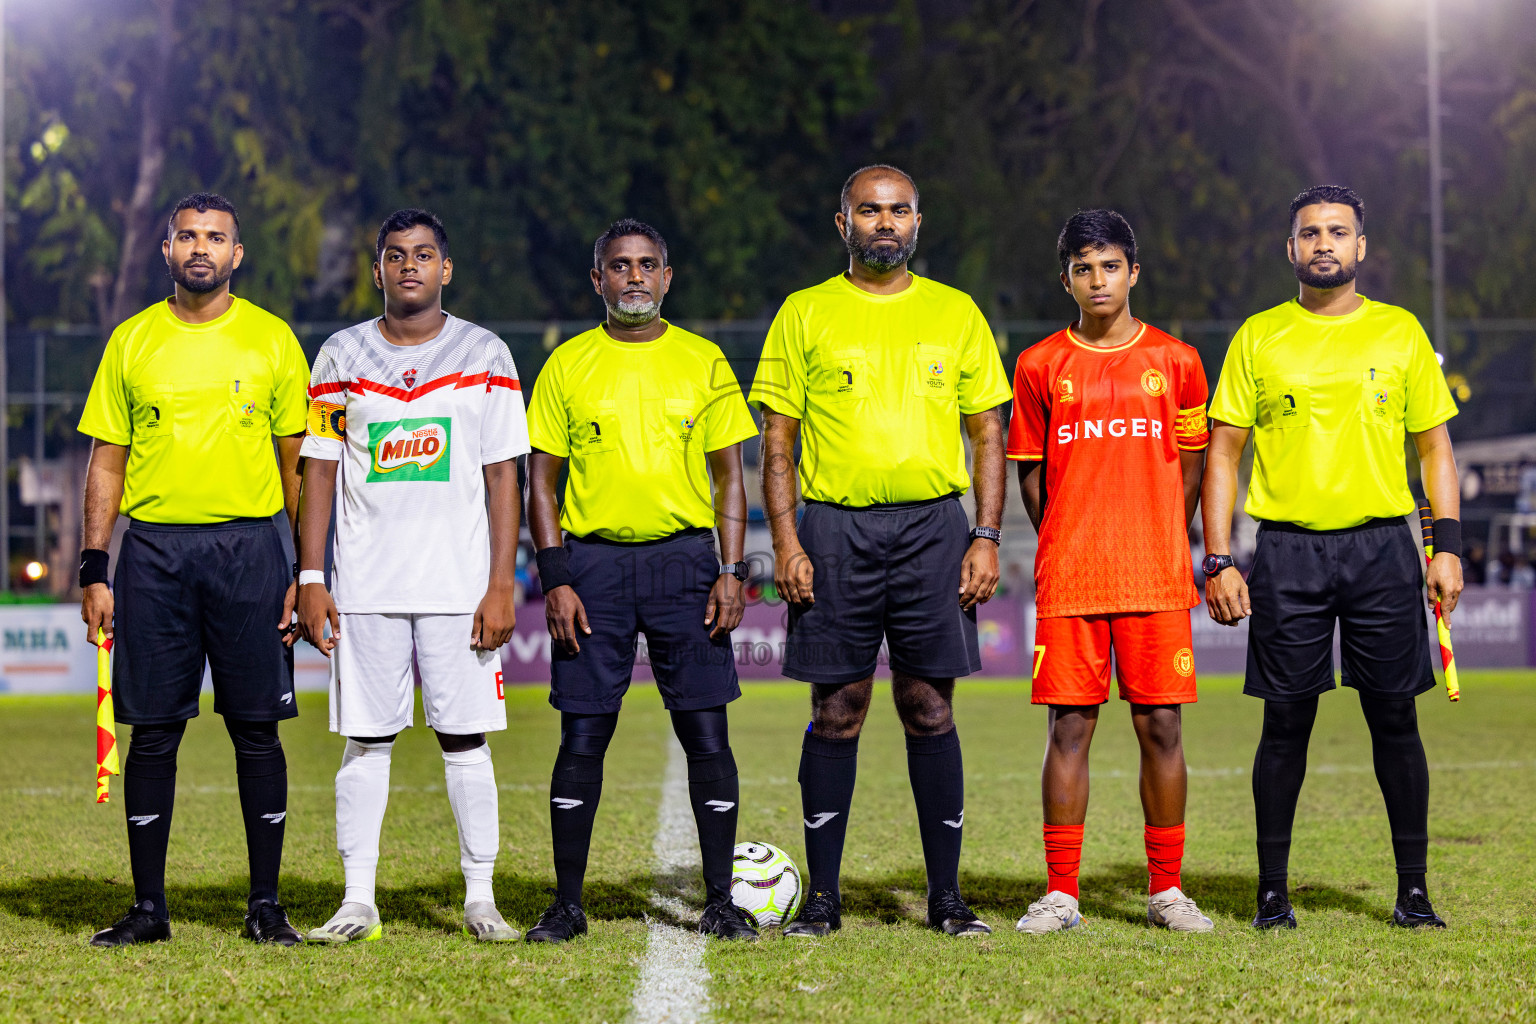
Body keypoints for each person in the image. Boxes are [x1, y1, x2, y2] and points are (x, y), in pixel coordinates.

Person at [750, 165, 1012, 938]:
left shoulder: (955, 313)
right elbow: (778, 443)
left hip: (935, 529)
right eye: (870, 210)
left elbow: (987, 433)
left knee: (930, 707)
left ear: (918, 222)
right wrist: (788, 540)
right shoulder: (804, 314)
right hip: (833, 530)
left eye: (898, 210)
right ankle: (823, 899)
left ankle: (947, 898)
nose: (885, 222)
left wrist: (986, 536)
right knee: (837, 709)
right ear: (844, 224)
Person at [1204, 185, 1463, 929]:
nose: (1324, 243)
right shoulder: (1259, 337)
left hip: (1384, 546)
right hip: (1286, 551)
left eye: (1338, 232)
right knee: (1284, 723)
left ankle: (1413, 892)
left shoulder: (1401, 332)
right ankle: (1271, 893)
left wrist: (1443, 547)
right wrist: (1219, 557)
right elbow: (1224, 452)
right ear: (1291, 249)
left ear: (1360, 247)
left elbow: (1435, 448)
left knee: (1395, 720)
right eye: (1310, 232)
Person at [79, 193, 309, 947]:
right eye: (187, 236)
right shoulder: (132, 341)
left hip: (249, 552)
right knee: (151, 735)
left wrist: (306, 572)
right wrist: (93, 566)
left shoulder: (272, 341)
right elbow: (106, 461)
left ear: (237, 254)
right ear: (166, 249)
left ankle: (265, 906)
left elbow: (295, 470)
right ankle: (149, 909)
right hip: (152, 557)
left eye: (215, 237)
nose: (200, 247)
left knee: (256, 731)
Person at [294, 209, 529, 944]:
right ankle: (357, 901)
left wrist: (501, 582)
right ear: (378, 270)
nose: (410, 267)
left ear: (445, 269)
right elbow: (321, 471)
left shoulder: (486, 354)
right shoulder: (340, 355)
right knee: (365, 743)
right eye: (396, 256)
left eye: (424, 254)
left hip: (459, 589)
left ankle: (481, 898)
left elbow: (503, 477)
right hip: (365, 586)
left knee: (465, 740)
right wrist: (310, 574)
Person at [523, 219, 759, 943]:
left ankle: (720, 900)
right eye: (619, 266)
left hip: (686, 563)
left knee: (706, 733)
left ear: (667, 277)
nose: (633, 277)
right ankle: (566, 905)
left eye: (646, 265)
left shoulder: (703, 359)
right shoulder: (567, 364)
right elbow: (541, 481)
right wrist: (556, 575)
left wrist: (730, 568)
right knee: (583, 734)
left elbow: (730, 477)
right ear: (597, 279)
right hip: (592, 567)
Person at [1007, 210, 1214, 934]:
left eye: (1111, 265)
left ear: (1134, 272)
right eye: (1084, 268)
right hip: (1072, 576)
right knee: (1070, 728)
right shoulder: (1039, 365)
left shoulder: (1179, 361)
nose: (1099, 280)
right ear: (1065, 278)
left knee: (1162, 726)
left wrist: (1159, 532)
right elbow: (1032, 480)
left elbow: (1192, 466)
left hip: (1155, 575)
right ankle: (1062, 893)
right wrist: (1069, 536)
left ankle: (1166, 892)